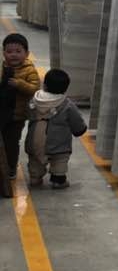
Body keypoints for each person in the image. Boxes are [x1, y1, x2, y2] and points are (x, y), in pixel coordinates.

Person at [25, 68, 87, 189]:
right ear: (65, 89)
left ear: (45, 85)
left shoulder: (34, 100)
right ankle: (58, 180)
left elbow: (27, 113)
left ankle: (35, 178)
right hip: (59, 143)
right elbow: (76, 121)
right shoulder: (67, 105)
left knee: (35, 160)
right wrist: (80, 130)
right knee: (60, 160)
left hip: (35, 139)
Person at [1, 32, 41, 179]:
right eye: (9, 51)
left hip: (17, 115)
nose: (13, 55)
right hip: (2, 111)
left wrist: (19, 84)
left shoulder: (29, 70)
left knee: (11, 142)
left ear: (27, 53)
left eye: (18, 51)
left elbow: (34, 88)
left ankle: (11, 167)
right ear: (4, 53)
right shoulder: (2, 67)